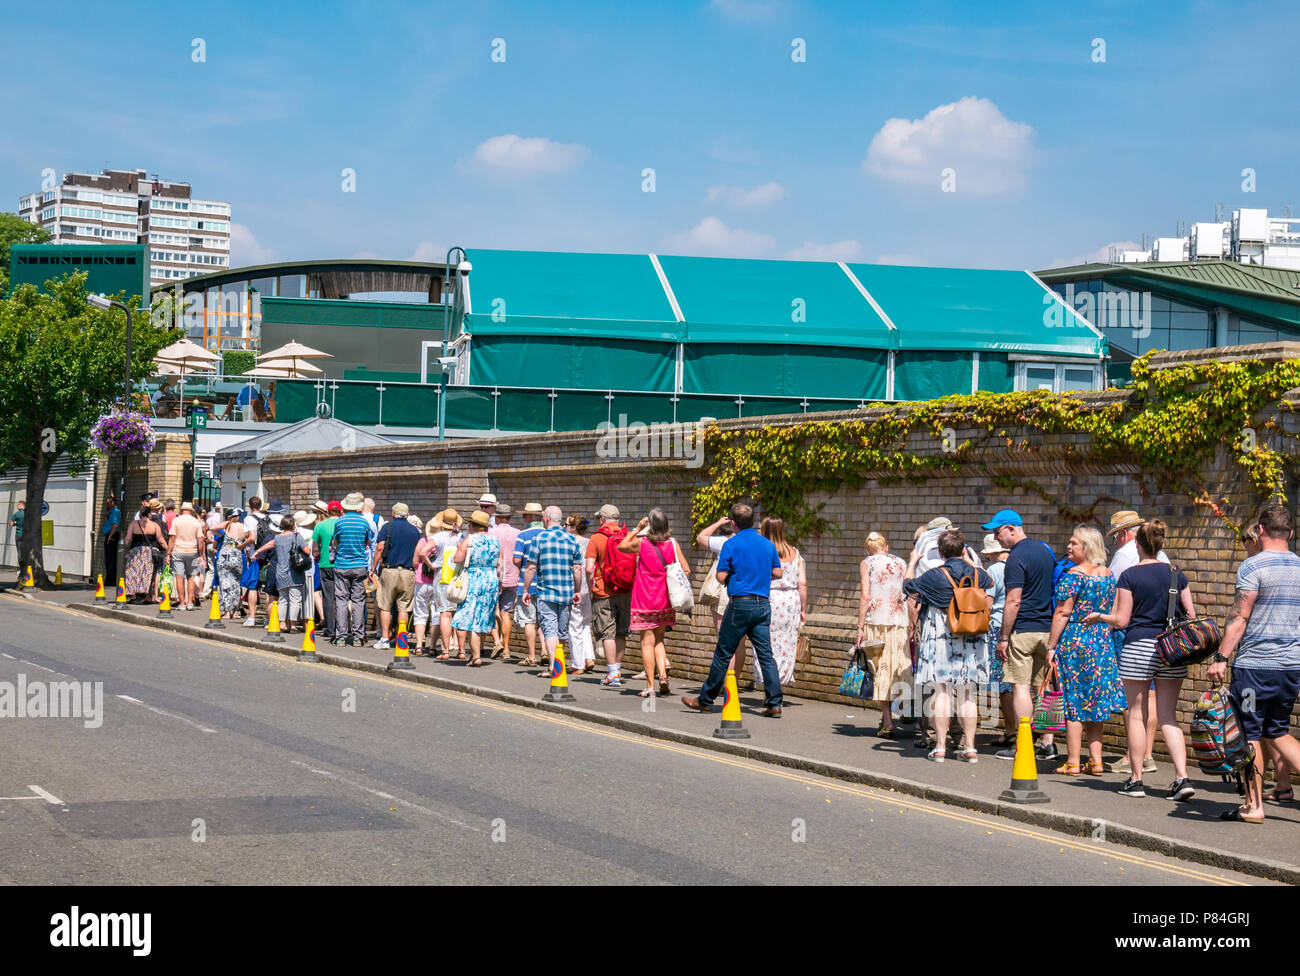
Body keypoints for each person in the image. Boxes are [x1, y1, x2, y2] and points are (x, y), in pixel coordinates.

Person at [1086, 519, 1197, 799]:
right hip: (1172, 650)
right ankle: (1182, 779)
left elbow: (1121, 620)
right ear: (1160, 545)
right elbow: (1192, 617)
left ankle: (1136, 782)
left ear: (1137, 545)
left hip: (1138, 647)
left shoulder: (1130, 576)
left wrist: (1099, 616)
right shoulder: (1176, 574)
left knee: (1137, 715)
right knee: (1169, 716)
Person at [1208, 504, 1300, 824]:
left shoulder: (1252, 566)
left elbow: (1239, 616)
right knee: (1277, 732)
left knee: (1248, 732)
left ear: (1259, 530)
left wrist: (1220, 657)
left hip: (1255, 669)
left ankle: (1253, 805)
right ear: (1290, 533)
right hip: (1290, 667)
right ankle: (1256, 801)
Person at [683, 503, 783, 717]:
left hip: (740, 603)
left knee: (723, 652)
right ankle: (774, 703)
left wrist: (735, 576)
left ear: (734, 524)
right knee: (766, 655)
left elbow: (720, 576)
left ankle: (705, 700)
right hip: (762, 604)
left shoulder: (731, 543)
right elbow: (778, 572)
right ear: (753, 520)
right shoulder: (767, 544)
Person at [902, 529, 992, 762]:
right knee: (967, 694)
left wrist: (912, 562)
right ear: (963, 550)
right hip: (971, 637)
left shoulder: (935, 575)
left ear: (940, 552)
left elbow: (908, 586)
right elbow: (989, 581)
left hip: (942, 637)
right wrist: (970, 561)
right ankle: (970, 747)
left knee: (941, 691)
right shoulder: (975, 573)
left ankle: (940, 747)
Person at [1044, 525, 1126, 776]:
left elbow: (1062, 612)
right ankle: (1096, 760)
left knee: (1074, 704)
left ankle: (1072, 761)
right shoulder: (1108, 574)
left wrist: (1051, 646)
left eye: (1074, 543)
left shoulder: (1073, 575)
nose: (1069, 547)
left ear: (1087, 548)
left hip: (1076, 642)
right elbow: (1112, 611)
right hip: (1101, 641)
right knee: (1095, 703)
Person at [985, 509, 1059, 763]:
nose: (997, 538)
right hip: (1048, 630)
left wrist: (1003, 637)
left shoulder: (1015, 558)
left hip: (1023, 631)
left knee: (1020, 687)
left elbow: (1013, 601)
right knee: (1044, 687)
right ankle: (1048, 744)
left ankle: (1024, 744)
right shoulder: (1045, 551)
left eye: (998, 532)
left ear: (1012, 529)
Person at [1106, 509, 1169, 775]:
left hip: (1130, 630)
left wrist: (1105, 622)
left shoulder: (1124, 554)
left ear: (1123, 534)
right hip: (1160, 636)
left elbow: (1114, 592)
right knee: (1152, 696)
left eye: (1116, 537)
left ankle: (1133, 756)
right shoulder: (1162, 556)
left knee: (1133, 701)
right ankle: (1148, 754)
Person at [617, 508, 690, 698]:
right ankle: (663, 677)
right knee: (659, 640)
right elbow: (686, 570)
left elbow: (622, 546)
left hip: (645, 599)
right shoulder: (673, 544)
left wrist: (637, 528)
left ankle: (650, 685)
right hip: (665, 599)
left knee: (646, 643)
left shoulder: (642, 543)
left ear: (650, 525)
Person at [858, 531, 911, 738]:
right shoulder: (901, 562)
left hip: (877, 621)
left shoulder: (867, 563)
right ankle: (892, 716)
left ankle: (888, 721)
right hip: (899, 621)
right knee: (897, 668)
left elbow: (865, 595)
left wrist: (860, 627)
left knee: (880, 671)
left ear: (867, 550)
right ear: (886, 547)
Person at [521, 505, 585, 674]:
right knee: (561, 632)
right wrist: (577, 591)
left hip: (546, 591)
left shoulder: (540, 538)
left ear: (547, 519)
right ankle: (559, 663)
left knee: (549, 630)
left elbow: (531, 568)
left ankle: (553, 667)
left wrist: (526, 589)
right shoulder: (572, 540)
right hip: (566, 593)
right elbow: (577, 569)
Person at [589, 504, 635, 687]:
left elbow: (588, 568)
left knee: (608, 633)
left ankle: (613, 673)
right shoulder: (628, 536)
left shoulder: (597, 538)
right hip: (625, 590)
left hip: (603, 591)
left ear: (602, 519)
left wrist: (589, 586)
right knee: (621, 632)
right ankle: (617, 670)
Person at [451, 510, 501, 667]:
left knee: (472, 619)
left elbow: (457, 558)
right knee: (483, 617)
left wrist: (459, 551)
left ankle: (476, 656)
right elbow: (500, 562)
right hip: (491, 579)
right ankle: (478, 652)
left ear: (473, 525)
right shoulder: (495, 540)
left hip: (473, 578)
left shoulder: (470, 538)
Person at [760, 517, 805, 688]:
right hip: (791, 600)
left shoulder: (764, 551)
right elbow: (803, 583)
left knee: (766, 643)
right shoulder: (795, 553)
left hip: (770, 598)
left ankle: (769, 686)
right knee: (787, 642)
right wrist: (803, 609)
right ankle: (780, 681)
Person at [980, 533, 1015, 746]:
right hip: (1017, 628)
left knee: (1003, 684)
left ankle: (1011, 730)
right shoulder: (1019, 566)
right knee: (1018, 683)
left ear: (992, 553)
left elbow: (988, 604)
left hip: (997, 628)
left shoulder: (993, 570)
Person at [371, 502, 420, 650]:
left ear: (393, 513)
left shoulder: (388, 527)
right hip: (408, 572)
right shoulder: (415, 531)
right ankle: (401, 639)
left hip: (390, 570)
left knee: (385, 605)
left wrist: (373, 567)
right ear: (407, 514)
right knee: (404, 607)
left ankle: (385, 639)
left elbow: (380, 548)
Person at [253, 515, 311, 633]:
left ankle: (282, 623)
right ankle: (293, 625)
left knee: (283, 599)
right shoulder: (296, 536)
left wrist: (257, 551)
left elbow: (269, 545)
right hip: (294, 573)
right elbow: (307, 551)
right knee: (295, 599)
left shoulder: (278, 538)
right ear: (292, 524)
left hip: (280, 572)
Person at [330, 493, 374, 647]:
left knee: (341, 601)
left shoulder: (340, 522)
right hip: (359, 565)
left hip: (342, 564)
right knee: (359, 600)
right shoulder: (364, 522)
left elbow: (335, 541)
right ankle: (358, 636)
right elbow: (367, 542)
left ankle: (341, 636)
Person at [512, 502, 546, 667]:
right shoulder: (548, 534)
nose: (523, 518)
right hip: (546, 584)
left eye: (525, 515)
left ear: (531, 517)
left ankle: (532, 655)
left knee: (529, 621)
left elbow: (517, 559)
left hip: (527, 584)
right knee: (545, 621)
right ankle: (545, 652)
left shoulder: (523, 535)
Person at [429, 509, 463, 659]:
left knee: (445, 614)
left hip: (442, 575)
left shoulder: (438, 536)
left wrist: (430, 564)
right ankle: (462, 651)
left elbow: (423, 552)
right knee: (460, 613)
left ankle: (446, 651)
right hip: (458, 576)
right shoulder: (461, 537)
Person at [566, 514, 596, 673]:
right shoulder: (590, 542)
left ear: (572, 527)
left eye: (566, 524)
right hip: (588, 589)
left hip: (574, 589)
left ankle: (577, 664)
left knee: (574, 627)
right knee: (585, 625)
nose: (564, 527)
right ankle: (589, 658)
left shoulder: (569, 543)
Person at [490, 503, 520, 659]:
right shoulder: (518, 533)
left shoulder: (491, 533)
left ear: (499, 517)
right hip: (513, 577)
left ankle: (497, 642)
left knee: (490, 611)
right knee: (506, 613)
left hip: (494, 576)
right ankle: (507, 649)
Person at [122, 499, 165, 603]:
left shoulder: (133, 524)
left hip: (136, 551)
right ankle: (144, 594)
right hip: (148, 552)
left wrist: (124, 549)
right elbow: (161, 540)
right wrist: (169, 549)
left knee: (133, 572)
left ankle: (132, 594)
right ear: (149, 514)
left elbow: (127, 539)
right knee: (146, 573)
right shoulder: (155, 525)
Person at [241, 497, 274, 628]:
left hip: (257, 555)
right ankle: (268, 619)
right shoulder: (268, 518)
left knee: (253, 586)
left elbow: (252, 537)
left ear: (250, 506)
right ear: (261, 506)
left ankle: (252, 617)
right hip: (269, 554)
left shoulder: (249, 519)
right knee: (268, 587)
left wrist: (241, 545)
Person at [165, 501, 205, 610]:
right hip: (192, 552)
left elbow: (172, 538)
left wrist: (168, 553)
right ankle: (190, 603)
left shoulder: (176, 521)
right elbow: (200, 540)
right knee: (191, 577)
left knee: (179, 577)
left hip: (178, 551)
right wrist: (201, 555)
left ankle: (182, 603)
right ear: (191, 511)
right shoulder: (196, 522)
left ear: (182, 510)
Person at [312, 501, 341, 639]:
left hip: (325, 565)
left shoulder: (320, 526)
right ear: (340, 511)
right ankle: (344, 628)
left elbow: (315, 550)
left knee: (328, 598)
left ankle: (330, 629)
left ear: (328, 512)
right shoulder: (343, 524)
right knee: (343, 597)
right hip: (342, 565)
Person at [216, 514, 247, 619]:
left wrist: (222, 535)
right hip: (237, 553)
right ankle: (235, 611)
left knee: (225, 583)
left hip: (225, 554)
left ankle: (227, 612)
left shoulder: (228, 524)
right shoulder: (243, 526)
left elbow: (212, 528)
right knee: (236, 584)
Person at [294, 510, 318, 625]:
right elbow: (313, 550)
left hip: (294, 566)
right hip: (308, 566)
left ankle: (294, 620)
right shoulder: (311, 533)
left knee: (295, 594)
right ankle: (307, 623)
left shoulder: (293, 533)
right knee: (308, 595)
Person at [101, 495, 121, 584]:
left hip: (112, 535)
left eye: (108, 503)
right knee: (109, 558)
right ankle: (110, 577)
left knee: (110, 558)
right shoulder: (111, 512)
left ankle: (111, 579)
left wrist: (110, 536)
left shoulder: (115, 512)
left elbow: (115, 525)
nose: (107, 505)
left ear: (113, 502)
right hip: (110, 534)